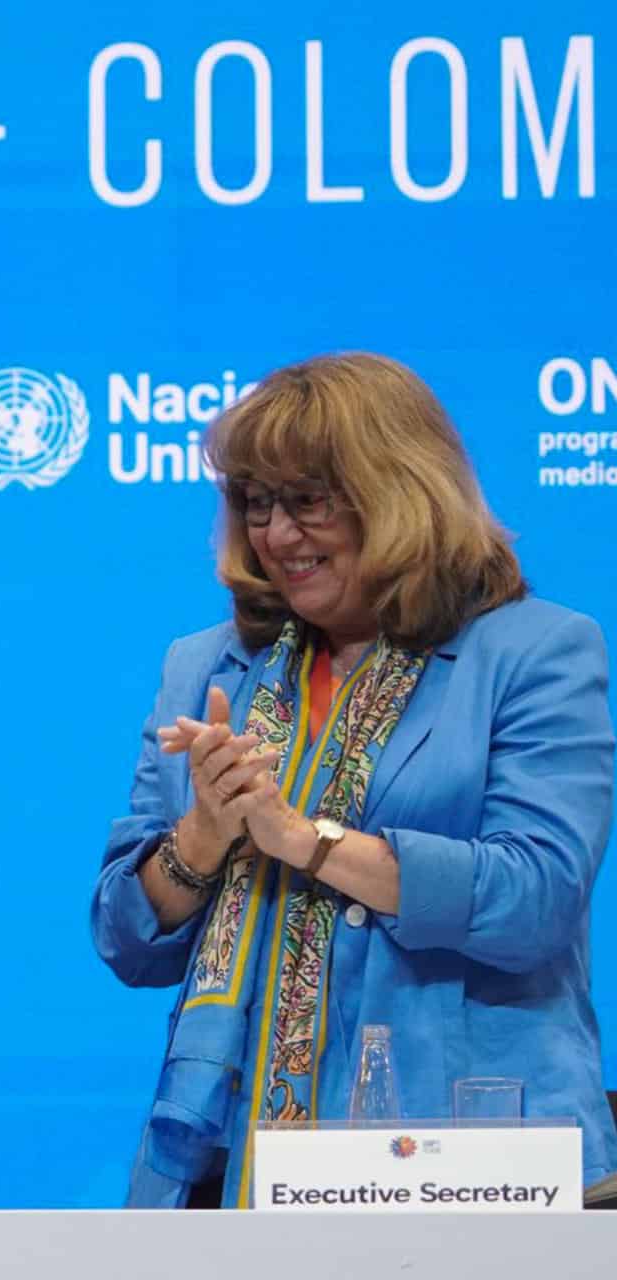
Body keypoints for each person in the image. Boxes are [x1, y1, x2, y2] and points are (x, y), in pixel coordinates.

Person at [91, 352, 617, 1209]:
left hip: (465, 1166)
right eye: (256, 504)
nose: (277, 535)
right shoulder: (207, 667)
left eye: (307, 501)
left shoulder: (535, 652)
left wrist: (303, 838)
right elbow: (124, 937)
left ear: (400, 490)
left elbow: (534, 901)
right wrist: (204, 835)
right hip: (223, 1162)